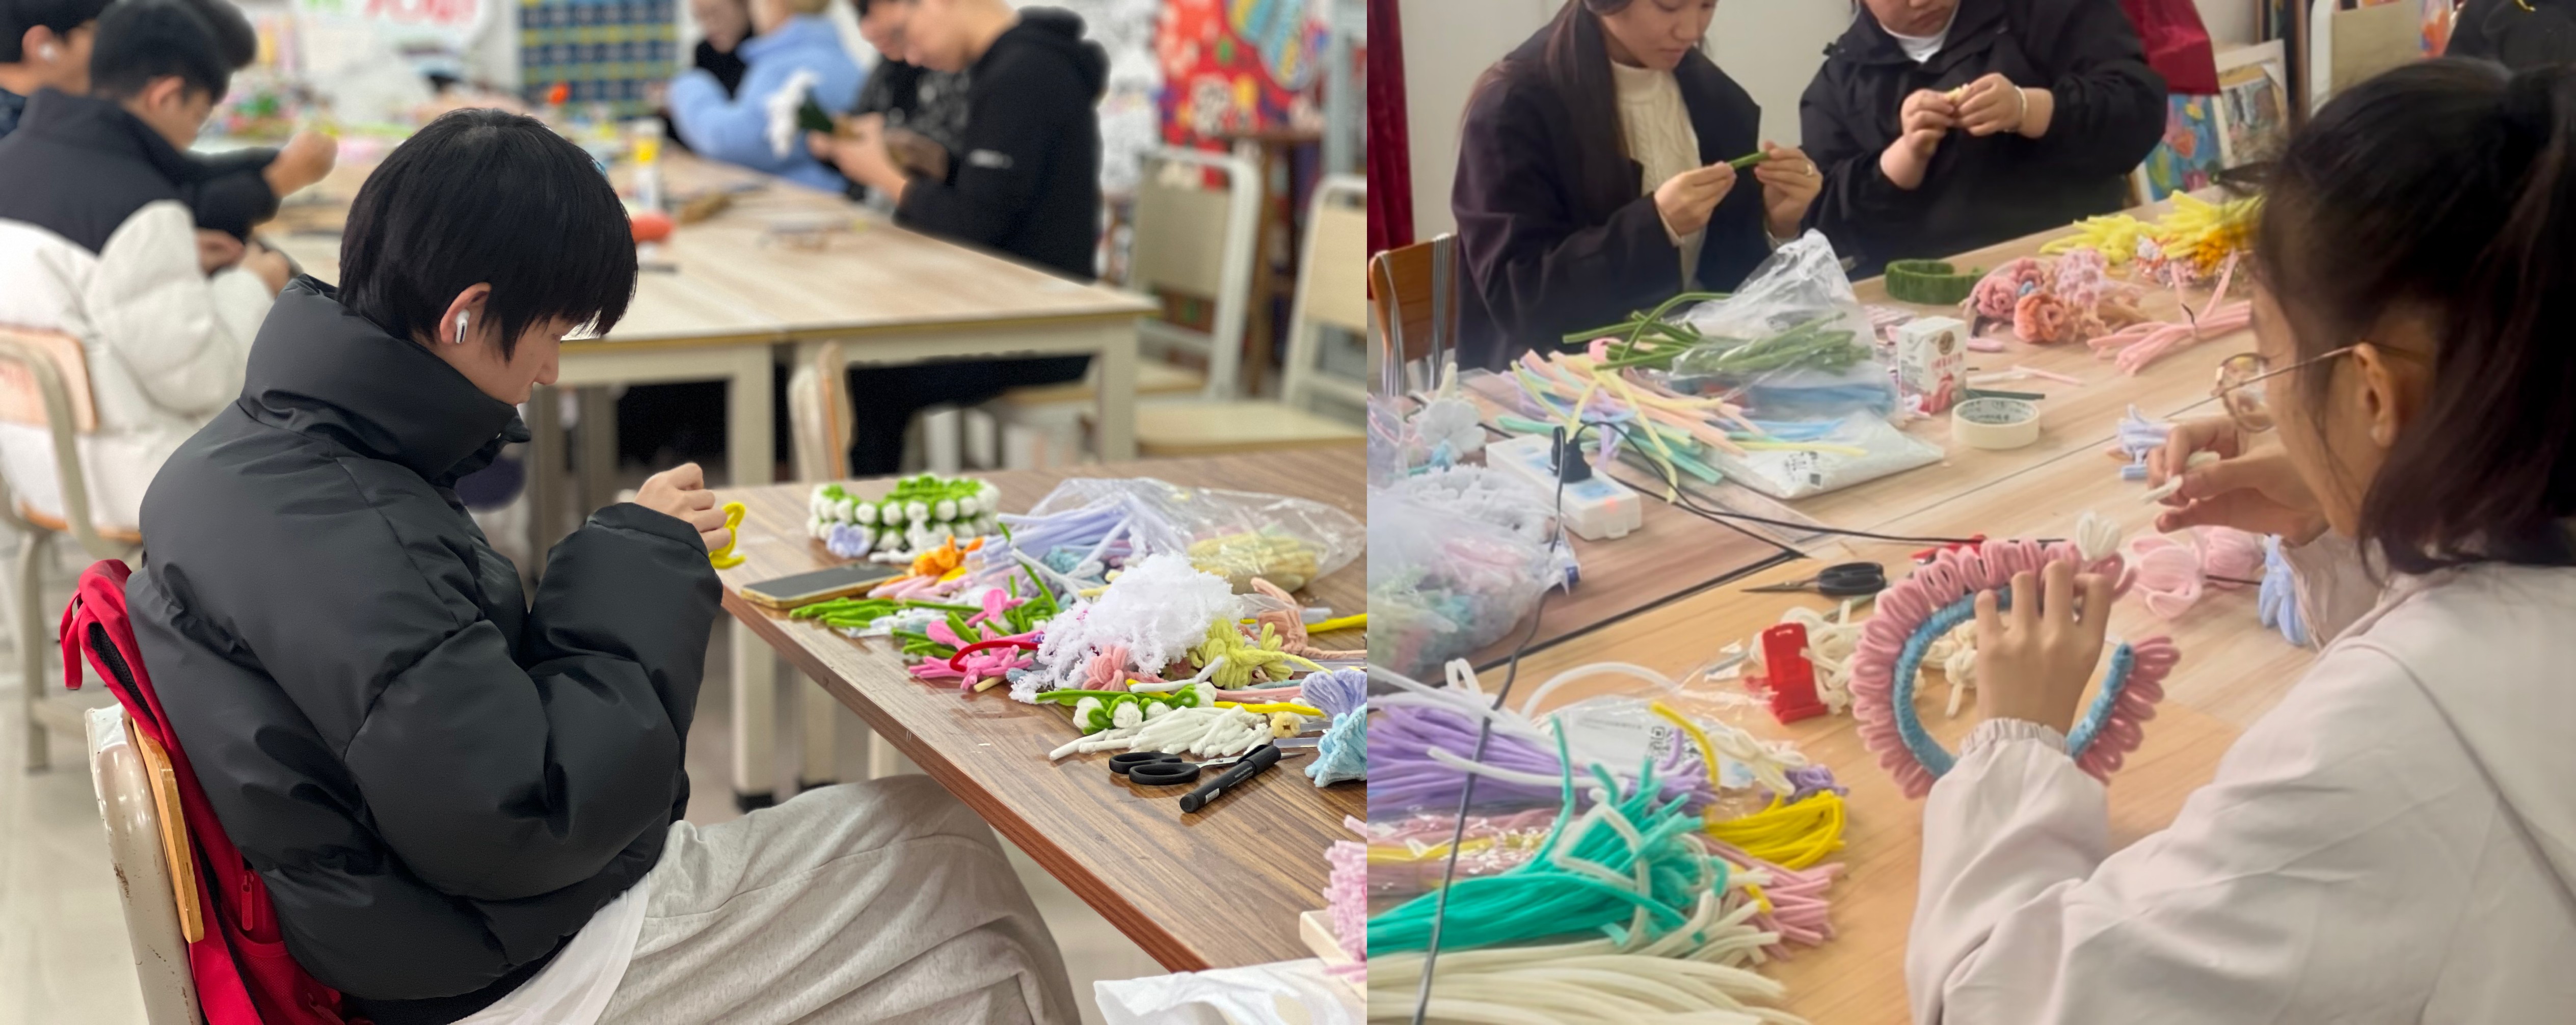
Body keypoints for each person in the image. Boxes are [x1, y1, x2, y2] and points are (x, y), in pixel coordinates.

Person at [130, 106, 1080, 1025]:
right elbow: (528, 816)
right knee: (952, 870)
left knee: (931, 863)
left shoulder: (256, 455)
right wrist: (636, 560)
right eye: (552, 333)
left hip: (406, 925)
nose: (550, 371)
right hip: (484, 968)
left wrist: (622, 546)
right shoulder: (356, 523)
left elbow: (448, 725)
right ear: (468, 315)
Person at [1909, 59, 2576, 1022]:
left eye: (2267, 360)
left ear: (2372, 393)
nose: (2264, 401)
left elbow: (1994, 1002)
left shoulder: (2387, 747)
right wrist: (2364, 515)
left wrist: (2014, 745)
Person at [0, 0, 290, 533]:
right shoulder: (138, 206)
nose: (191, 137)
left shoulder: (15, 159)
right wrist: (253, 281)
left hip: (32, 466)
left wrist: (176, 255)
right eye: (197, 117)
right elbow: (204, 380)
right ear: (166, 94)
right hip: (141, 479)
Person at [814, 0, 1108, 475]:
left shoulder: (1024, 73)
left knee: (865, 374)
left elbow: (976, 224)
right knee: (862, 364)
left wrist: (883, 175)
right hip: (1006, 309)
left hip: (1042, 333)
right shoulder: (1011, 64)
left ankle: (869, 511)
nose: (910, 56)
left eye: (906, 35)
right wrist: (934, 161)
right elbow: (1002, 197)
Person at [1451, 0, 1824, 371]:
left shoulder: (1717, 99)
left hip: (1695, 369)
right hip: (1561, 382)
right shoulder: (1514, 107)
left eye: (1707, 6)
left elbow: (1728, 282)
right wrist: (1657, 225)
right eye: (1669, 7)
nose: (1691, 31)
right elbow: (1521, 300)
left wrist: (1776, 224)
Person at [1799, 0, 2165, 278]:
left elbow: (2140, 109)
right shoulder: (1837, 86)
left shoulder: (2045, 12)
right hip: (1929, 304)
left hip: (2079, 263)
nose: (1921, 1)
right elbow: (1826, 228)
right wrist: (1901, 160)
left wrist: (2029, 109)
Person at [0, 0, 334, 232]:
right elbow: (157, 205)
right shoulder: (42, 133)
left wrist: (275, 167)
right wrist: (274, 182)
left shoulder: (58, 119)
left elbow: (175, 174)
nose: (106, 42)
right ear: (43, 45)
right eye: (94, 30)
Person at [666, 0, 861, 192]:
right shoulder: (837, 55)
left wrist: (686, 84)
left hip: (809, 201)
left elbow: (728, 142)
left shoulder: (782, 64)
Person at [812, 0, 970, 202]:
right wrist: (837, 136)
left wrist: (879, 143)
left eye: (870, 11)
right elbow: (861, 119)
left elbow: (953, 166)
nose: (867, 31)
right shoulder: (888, 68)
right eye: (860, 15)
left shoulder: (957, 68)